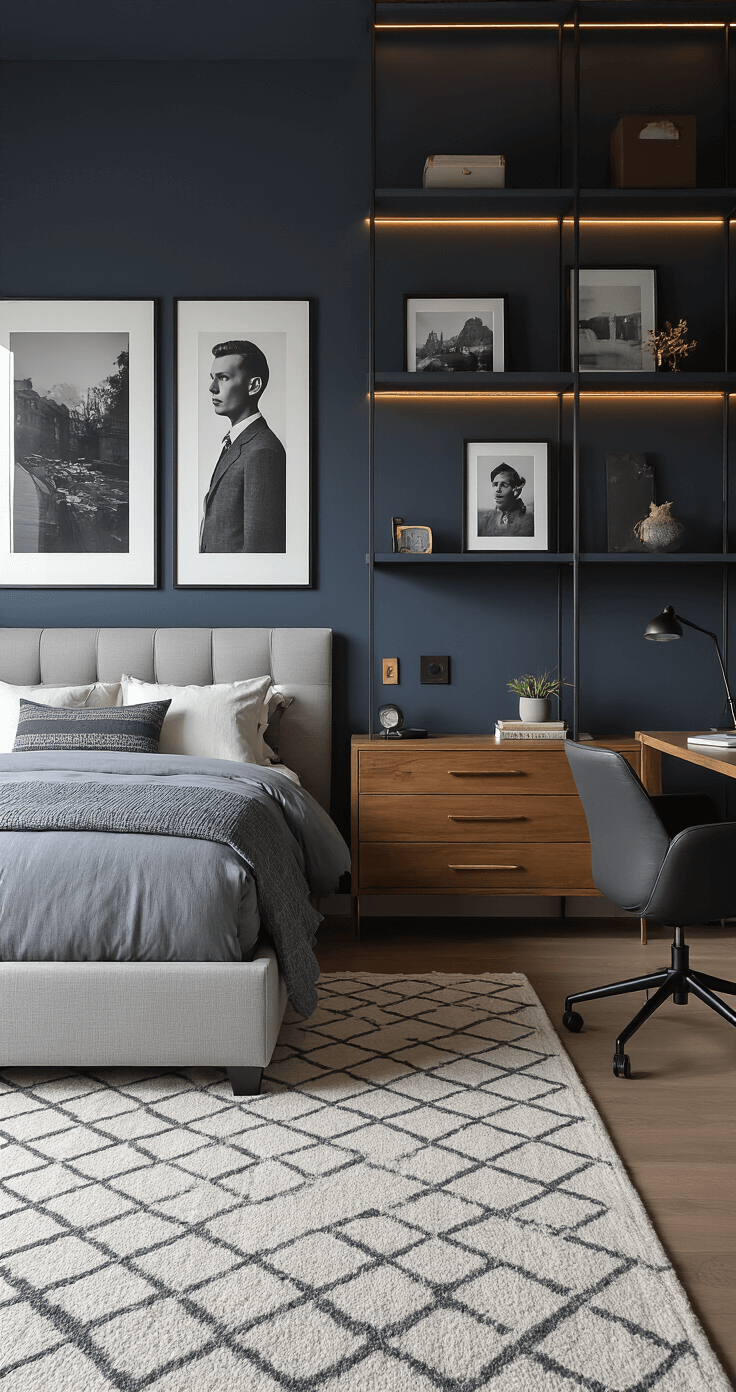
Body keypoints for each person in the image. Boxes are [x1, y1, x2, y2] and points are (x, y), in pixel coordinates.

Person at [199, 340, 286, 553]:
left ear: (253, 386)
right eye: (213, 378)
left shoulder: (262, 450)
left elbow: (260, 551)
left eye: (223, 378)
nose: (212, 388)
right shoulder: (238, 442)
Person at [477, 462, 534, 538]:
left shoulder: (528, 520)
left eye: (504, 485)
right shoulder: (487, 520)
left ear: (515, 490)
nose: (497, 489)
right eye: (495, 485)